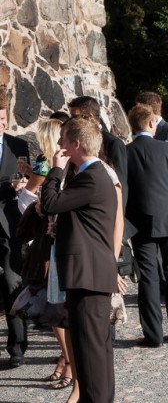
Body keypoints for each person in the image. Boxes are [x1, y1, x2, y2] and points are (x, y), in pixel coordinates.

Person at [40, 117, 121, 403]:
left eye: (63, 140)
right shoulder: (92, 175)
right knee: (94, 352)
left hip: (88, 276)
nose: (60, 145)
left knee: (91, 354)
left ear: (75, 144)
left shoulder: (92, 175)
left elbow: (48, 203)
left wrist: (55, 169)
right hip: (87, 274)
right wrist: (61, 228)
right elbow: (86, 221)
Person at [15, 117, 76, 393]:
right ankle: (65, 360)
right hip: (46, 241)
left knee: (57, 308)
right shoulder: (52, 165)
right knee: (56, 309)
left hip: (49, 243)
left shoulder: (51, 165)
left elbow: (35, 197)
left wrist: (28, 191)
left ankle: (69, 362)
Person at [126, 104, 168, 346]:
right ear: (152, 123)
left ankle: (153, 336)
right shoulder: (167, 149)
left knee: (148, 277)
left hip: (140, 220)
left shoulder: (125, 151)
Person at [0, 88, 30, 367]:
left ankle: (18, 347)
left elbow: (27, 177)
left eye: (3, 119)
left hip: (10, 226)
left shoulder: (18, 146)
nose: (1, 124)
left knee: (14, 285)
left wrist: (21, 184)